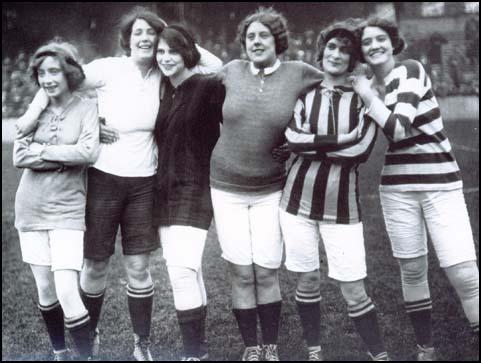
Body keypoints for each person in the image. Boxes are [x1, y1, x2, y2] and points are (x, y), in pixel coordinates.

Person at [16, 6, 222, 361]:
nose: (144, 38)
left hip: (145, 183)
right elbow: (61, 75)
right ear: (127, 39)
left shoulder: (163, 69)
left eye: (151, 34)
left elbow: (214, 66)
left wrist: (174, 37)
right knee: (95, 265)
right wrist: (38, 112)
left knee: (138, 268)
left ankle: (141, 343)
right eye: (138, 32)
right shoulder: (109, 68)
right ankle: (89, 334)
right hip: (103, 179)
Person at [352, 17, 479, 360]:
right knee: (412, 270)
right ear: (360, 52)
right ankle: (426, 350)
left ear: (393, 43)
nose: (375, 46)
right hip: (396, 188)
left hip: (440, 182)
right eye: (367, 43)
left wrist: (366, 95)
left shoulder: (409, 70)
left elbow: (398, 130)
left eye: (381, 39)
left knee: (463, 272)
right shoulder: (370, 87)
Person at [209, 7, 324, 361]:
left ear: (278, 40)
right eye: (250, 37)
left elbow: (338, 83)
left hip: (270, 189)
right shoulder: (229, 72)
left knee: (266, 270)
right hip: (225, 187)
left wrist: (301, 139)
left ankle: (271, 347)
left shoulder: (300, 74)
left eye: (263, 35)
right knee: (241, 272)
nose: (256, 42)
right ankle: (252, 347)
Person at [279, 19, 388, 361]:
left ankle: (379, 355)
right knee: (307, 282)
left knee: (354, 289)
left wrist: (310, 146)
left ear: (354, 59)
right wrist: (341, 139)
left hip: (342, 210)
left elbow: (361, 152)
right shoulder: (305, 94)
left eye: (345, 50)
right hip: (296, 204)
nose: (336, 55)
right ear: (321, 51)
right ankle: (314, 352)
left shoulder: (364, 98)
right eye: (331, 47)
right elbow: (292, 139)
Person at [13, 40, 99, 361]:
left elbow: (88, 152)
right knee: (46, 290)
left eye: (55, 72)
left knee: (66, 289)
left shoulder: (87, 106)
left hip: (67, 209)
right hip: (30, 207)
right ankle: (60, 353)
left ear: (70, 73)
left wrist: (43, 152)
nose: (48, 79)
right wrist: (65, 156)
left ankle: (87, 357)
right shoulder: (35, 110)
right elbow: (19, 156)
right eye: (42, 73)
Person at [153, 24, 225, 361]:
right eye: (160, 51)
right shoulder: (165, 92)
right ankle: (199, 351)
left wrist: (169, 30)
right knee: (185, 269)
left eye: (173, 51)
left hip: (195, 187)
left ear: (188, 53)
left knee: (181, 271)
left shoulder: (206, 85)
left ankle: (193, 354)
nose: (165, 58)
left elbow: (220, 66)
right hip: (163, 190)